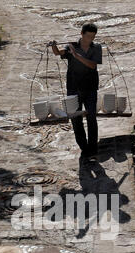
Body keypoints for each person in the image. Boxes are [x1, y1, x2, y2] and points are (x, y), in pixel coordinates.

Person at [50, 23, 102, 161]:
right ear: (82, 33)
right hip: (73, 88)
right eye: (87, 36)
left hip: (90, 88)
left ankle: (93, 150)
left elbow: (92, 65)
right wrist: (54, 46)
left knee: (91, 117)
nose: (89, 39)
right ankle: (84, 148)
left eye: (92, 37)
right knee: (75, 118)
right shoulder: (71, 46)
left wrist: (77, 56)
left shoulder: (96, 48)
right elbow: (58, 52)